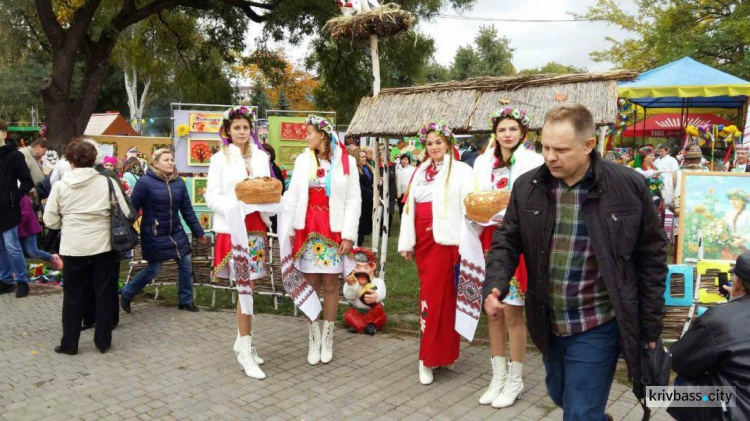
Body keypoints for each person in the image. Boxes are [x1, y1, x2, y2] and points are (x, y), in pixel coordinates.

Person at [483, 104, 668, 420]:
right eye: (546, 147)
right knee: (560, 394)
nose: (551, 156)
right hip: (548, 320)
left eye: (561, 149)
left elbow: (652, 257)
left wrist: (650, 325)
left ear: (589, 145)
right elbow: (507, 240)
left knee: (579, 412)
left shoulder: (626, 186)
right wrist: (495, 283)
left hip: (598, 321)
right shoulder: (529, 187)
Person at [469, 108, 544, 408]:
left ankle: (516, 378)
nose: (508, 134)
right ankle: (496, 376)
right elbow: (476, 198)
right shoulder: (482, 164)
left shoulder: (534, 163)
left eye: (513, 129)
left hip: (517, 242)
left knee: (513, 312)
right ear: (495, 133)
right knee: (493, 311)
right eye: (503, 129)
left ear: (523, 133)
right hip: (488, 240)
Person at [398, 121, 472, 385]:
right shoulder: (419, 172)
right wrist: (407, 242)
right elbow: (409, 209)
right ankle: (425, 357)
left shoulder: (462, 170)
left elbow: (468, 208)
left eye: (438, 142)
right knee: (429, 297)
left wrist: (466, 243)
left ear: (448, 144)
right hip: (425, 241)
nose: (433, 147)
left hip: (448, 240)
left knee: (448, 298)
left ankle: (443, 354)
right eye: (429, 144)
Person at [283, 114, 360, 366]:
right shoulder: (304, 160)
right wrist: (290, 230)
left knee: (330, 285)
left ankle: (328, 336)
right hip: (308, 231)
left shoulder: (345, 162)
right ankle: (313, 336)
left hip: (332, 231)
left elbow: (353, 200)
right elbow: (293, 196)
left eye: (309, 132)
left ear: (323, 135)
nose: (306, 136)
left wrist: (349, 235)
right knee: (310, 285)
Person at [43, 140, 132, 354]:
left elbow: (50, 221)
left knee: (73, 295)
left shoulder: (61, 186)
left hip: (73, 247)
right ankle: (102, 341)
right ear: (94, 160)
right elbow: (126, 212)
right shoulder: (107, 182)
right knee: (103, 293)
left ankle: (69, 344)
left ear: (70, 160)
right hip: (103, 246)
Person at [206, 105, 273, 380]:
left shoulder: (260, 155)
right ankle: (245, 351)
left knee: (251, 286)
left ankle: (243, 341)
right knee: (245, 287)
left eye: (246, 128)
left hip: (256, 227)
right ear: (228, 131)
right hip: (234, 227)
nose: (242, 132)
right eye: (237, 128)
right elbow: (211, 196)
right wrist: (235, 207)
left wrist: (275, 205)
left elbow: (267, 187)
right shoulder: (218, 159)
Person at [120, 149, 207, 313]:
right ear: (155, 163)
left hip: (175, 231)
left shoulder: (179, 182)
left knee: (186, 263)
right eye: (166, 159)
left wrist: (198, 232)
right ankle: (127, 292)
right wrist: (125, 231)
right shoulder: (144, 182)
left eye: (172, 159)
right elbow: (132, 208)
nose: (171, 162)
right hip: (154, 233)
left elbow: (187, 210)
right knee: (154, 269)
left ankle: (185, 300)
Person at [668, 252, 750, 420]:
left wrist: (730, 307)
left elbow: (678, 360)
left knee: (682, 383)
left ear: (738, 283)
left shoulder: (719, 319)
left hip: (733, 409)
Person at [0, 120, 35, 298]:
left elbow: (27, 181)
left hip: (8, 208)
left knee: (12, 246)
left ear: (4, 134)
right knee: (1, 248)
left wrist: (14, 196)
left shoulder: (15, 156)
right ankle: (6, 281)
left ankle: (22, 281)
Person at [343, 248, 387, 335]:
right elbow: (349, 296)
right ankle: (367, 326)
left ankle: (359, 325)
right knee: (349, 314)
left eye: (366, 267)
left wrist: (376, 296)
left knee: (379, 311)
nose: (362, 271)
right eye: (358, 267)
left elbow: (381, 293)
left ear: (372, 267)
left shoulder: (378, 282)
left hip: (372, 312)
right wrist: (352, 285)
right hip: (357, 311)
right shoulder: (350, 283)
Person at [19, 195, 63, 270]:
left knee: (32, 252)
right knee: (20, 253)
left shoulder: (22, 197)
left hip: (29, 229)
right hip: (18, 230)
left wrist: (13, 225)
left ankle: (52, 257)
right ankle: (20, 270)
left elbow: (25, 214)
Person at [261, 143, 286, 234]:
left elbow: (281, 184)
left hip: (275, 198)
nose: (266, 156)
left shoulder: (276, 169)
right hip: (262, 199)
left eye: (268, 153)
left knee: (275, 218)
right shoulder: (257, 167)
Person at [633, 146, 664, 211]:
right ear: (644, 158)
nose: (654, 157)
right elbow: (644, 174)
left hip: (657, 198)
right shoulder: (638, 169)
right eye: (651, 156)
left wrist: (662, 198)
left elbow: (660, 184)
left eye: (654, 156)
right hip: (643, 200)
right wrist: (656, 172)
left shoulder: (656, 168)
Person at [356, 149, 374, 247]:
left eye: (364, 156)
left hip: (367, 201)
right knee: (360, 227)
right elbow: (359, 186)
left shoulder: (366, 168)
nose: (364, 158)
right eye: (362, 157)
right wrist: (372, 193)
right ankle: (357, 246)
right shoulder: (356, 170)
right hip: (361, 201)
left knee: (363, 227)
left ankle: (360, 246)